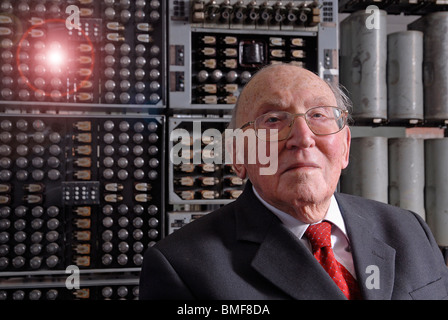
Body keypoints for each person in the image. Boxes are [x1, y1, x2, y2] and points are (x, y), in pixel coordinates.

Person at [139, 63, 448, 300]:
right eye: (273, 120)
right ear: (237, 156)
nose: (302, 138)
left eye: (319, 116)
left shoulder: (410, 229)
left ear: (345, 147)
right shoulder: (182, 268)